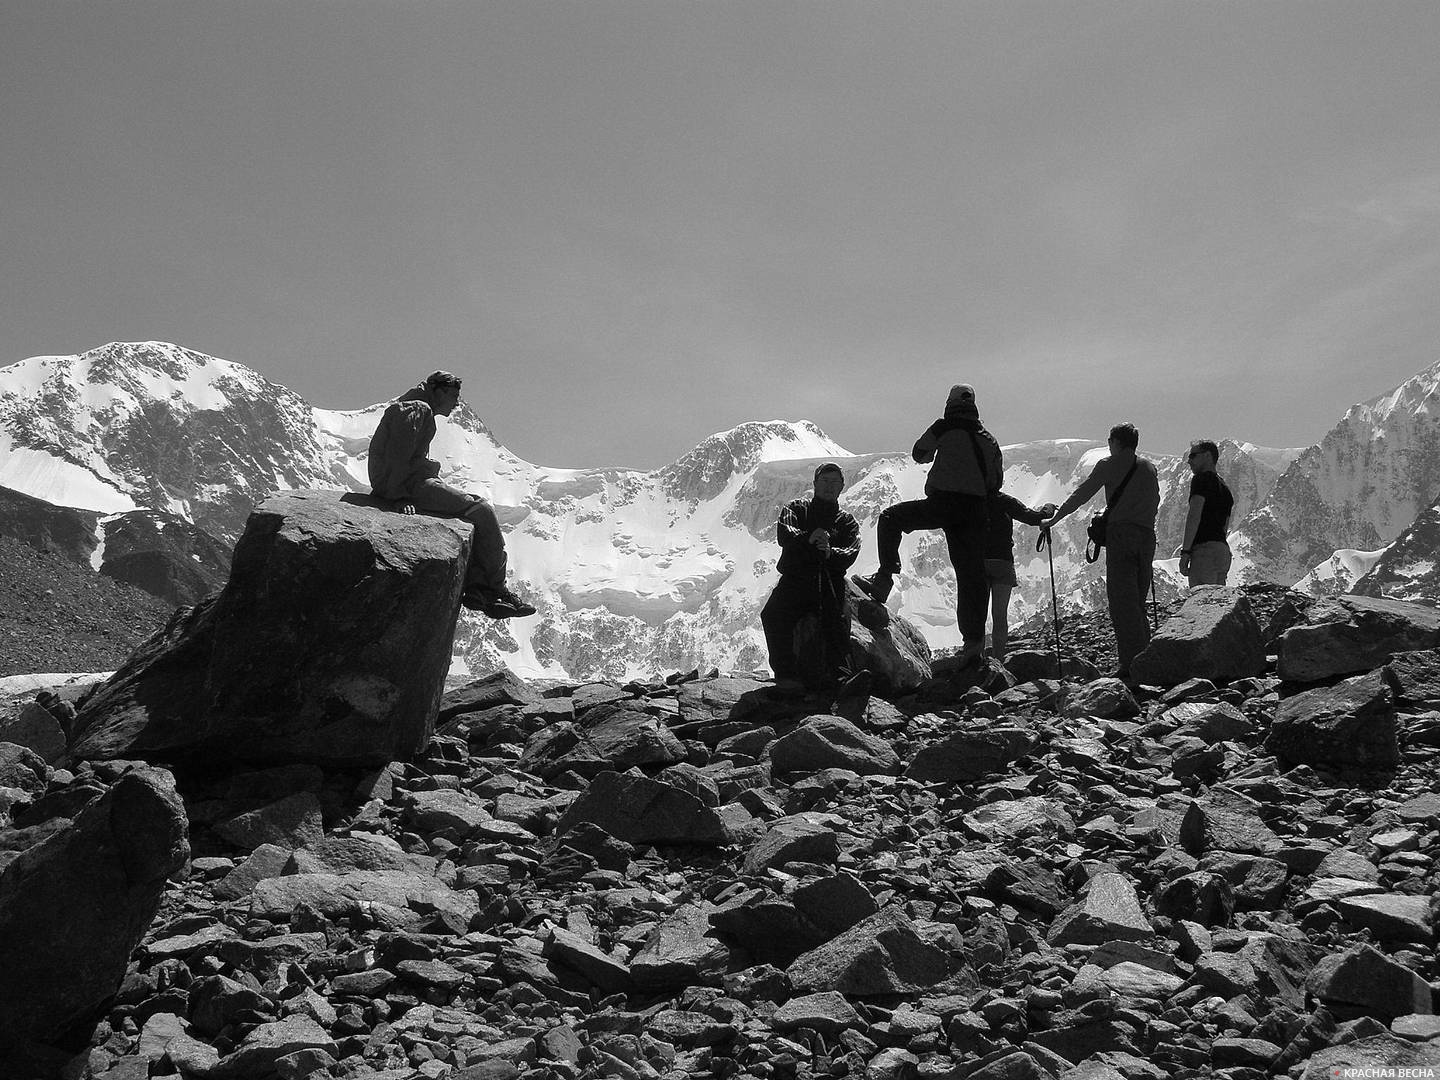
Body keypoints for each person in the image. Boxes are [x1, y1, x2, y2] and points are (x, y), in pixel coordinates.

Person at [851, 383, 1002, 666]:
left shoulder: (943, 427)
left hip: (943, 504)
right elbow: (995, 481)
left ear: (949, 403)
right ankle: (974, 645)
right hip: (976, 511)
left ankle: (883, 580)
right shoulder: (988, 439)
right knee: (971, 576)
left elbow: (919, 453)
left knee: (890, 519)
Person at [368, 370, 535, 619]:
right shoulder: (417, 409)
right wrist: (399, 496)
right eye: (454, 396)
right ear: (439, 391)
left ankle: (479, 589)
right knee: (481, 511)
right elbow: (397, 456)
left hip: (407, 482)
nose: (457, 403)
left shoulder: (414, 407)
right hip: (411, 485)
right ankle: (495, 589)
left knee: (475, 511)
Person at [1040, 422, 1160, 681]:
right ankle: (1147, 660)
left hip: (1121, 536)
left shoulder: (1108, 465)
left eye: (1110, 440)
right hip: (1147, 537)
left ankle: (1130, 667)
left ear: (1116, 442)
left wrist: (1055, 519)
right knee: (1138, 601)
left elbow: (1081, 494)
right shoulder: (1149, 468)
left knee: (1121, 601)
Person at [761, 462, 863, 691]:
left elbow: (851, 550)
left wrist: (829, 552)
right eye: (825, 481)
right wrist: (809, 538)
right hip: (795, 579)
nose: (829, 486)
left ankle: (840, 677)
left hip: (830, 581)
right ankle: (786, 675)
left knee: (836, 622)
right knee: (773, 615)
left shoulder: (846, 521)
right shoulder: (796, 508)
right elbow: (785, 533)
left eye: (834, 482)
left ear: (842, 487)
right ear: (815, 484)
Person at [983, 492, 1057, 659]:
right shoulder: (1004, 500)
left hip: (979, 562)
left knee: (978, 615)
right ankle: (998, 660)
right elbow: (1033, 517)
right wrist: (1048, 509)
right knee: (1000, 615)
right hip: (1003, 562)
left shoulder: (972, 499)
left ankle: (976, 662)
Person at [1178, 439, 1235, 586]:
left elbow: (1194, 514)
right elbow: (1225, 526)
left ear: (1208, 456)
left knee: (1201, 604)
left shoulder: (1201, 479)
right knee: (1218, 604)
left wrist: (1185, 553)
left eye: (1193, 456)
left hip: (1204, 552)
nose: (1189, 461)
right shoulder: (1225, 488)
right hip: (1222, 551)